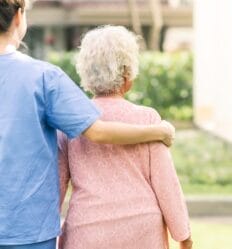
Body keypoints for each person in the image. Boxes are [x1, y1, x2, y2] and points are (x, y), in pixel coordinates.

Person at [0, 1, 175, 248]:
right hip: (28, 229)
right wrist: (157, 131)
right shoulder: (43, 78)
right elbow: (98, 131)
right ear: (18, 17)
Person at [58, 25, 192, 249]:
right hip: (142, 231)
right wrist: (183, 235)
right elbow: (166, 183)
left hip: (88, 231)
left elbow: (57, 186)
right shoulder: (148, 119)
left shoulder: (71, 123)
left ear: (86, 72)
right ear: (127, 73)